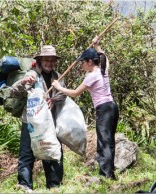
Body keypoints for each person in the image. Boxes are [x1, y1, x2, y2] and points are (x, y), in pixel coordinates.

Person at [52, 39, 119, 180]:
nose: (81, 65)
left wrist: (58, 87)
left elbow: (75, 93)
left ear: (90, 62)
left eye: (82, 62)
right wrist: (97, 45)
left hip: (104, 109)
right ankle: (110, 173)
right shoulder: (103, 68)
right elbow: (103, 55)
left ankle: (105, 175)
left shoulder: (92, 76)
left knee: (103, 141)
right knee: (109, 140)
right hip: (112, 107)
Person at [10, 45, 66, 192]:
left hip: (50, 123)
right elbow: (13, 91)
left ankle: (54, 186)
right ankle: (25, 186)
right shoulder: (32, 75)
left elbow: (63, 95)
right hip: (31, 122)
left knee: (52, 152)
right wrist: (23, 82)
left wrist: (53, 100)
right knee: (27, 154)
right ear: (40, 60)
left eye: (52, 60)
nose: (49, 63)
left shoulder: (57, 76)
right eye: (46, 60)